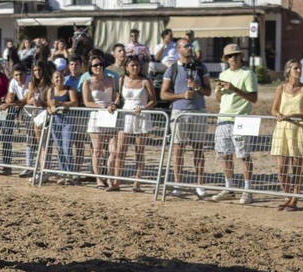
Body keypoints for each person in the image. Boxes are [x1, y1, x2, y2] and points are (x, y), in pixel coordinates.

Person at [161, 40, 211, 198]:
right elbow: (163, 94)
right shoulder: (172, 69)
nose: (190, 49)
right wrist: (182, 95)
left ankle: (200, 184)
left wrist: (196, 87)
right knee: (178, 150)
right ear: (178, 49)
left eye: (190, 46)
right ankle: (178, 184)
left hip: (198, 111)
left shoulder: (200, 67)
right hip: (179, 112)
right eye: (186, 46)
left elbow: (208, 91)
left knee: (198, 150)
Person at [211, 43, 258, 203]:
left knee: (244, 156)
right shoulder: (223, 74)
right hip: (223, 119)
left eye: (236, 55)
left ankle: (247, 190)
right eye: (230, 56)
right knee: (225, 156)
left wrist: (235, 89)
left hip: (243, 118)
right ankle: (229, 188)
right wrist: (218, 91)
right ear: (226, 59)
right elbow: (220, 100)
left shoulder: (248, 74)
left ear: (240, 56)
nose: (233, 58)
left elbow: (254, 98)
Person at [109, 55, 156, 192]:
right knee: (120, 151)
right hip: (126, 116)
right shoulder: (122, 79)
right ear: (126, 67)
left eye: (137, 65)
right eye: (132, 65)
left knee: (139, 151)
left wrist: (143, 108)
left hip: (141, 116)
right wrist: (114, 104)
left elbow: (153, 100)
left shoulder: (146, 81)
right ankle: (116, 182)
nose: (135, 68)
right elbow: (119, 96)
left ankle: (137, 183)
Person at [270, 59, 303, 210]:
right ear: (288, 70)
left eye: (300, 68)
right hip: (283, 128)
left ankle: (295, 198)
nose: (299, 71)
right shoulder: (280, 88)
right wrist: (279, 115)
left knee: (297, 166)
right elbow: (273, 109)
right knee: (281, 167)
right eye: (296, 68)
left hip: (299, 128)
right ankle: (287, 195)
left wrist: (294, 114)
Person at [81, 55, 119, 189]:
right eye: (95, 65)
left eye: (100, 64)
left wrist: (115, 103)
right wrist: (102, 107)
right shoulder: (87, 82)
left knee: (114, 150)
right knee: (97, 151)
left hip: (110, 116)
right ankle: (99, 179)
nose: (98, 67)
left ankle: (109, 177)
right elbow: (87, 102)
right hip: (97, 116)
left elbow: (114, 96)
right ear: (90, 68)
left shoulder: (111, 80)